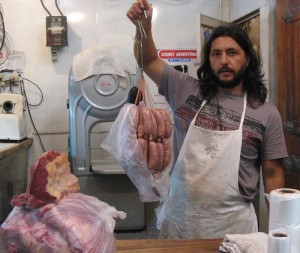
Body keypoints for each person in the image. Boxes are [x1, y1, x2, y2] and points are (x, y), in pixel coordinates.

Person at [127, 0, 288, 239]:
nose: (224, 60)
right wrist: (144, 28)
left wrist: (282, 232)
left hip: (234, 229)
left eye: (232, 53)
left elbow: (273, 175)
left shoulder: (266, 113)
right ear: (208, 60)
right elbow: (148, 61)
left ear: (247, 59)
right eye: (216, 54)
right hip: (181, 224)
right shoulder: (185, 89)